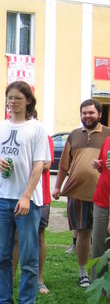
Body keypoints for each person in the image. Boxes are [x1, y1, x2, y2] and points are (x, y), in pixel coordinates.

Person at [0, 81, 50, 304]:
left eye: (17, 98)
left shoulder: (37, 128)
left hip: (27, 201)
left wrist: (26, 196)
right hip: (1, 199)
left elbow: (39, 165)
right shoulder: (0, 128)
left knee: (28, 256)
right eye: (9, 98)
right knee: (2, 256)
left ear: (28, 101)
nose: (12, 102)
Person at [53, 99, 110, 288]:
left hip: (104, 195)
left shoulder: (108, 134)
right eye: (84, 113)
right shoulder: (74, 135)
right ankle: (83, 273)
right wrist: (57, 187)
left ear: (99, 114)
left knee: (103, 237)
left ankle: (102, 274)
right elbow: (63, 165)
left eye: (91, 113)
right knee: (83, 233)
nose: (87, 116)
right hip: (78, 192)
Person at [13, 119, 54, 294]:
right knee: (15, 237)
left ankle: (39, 279)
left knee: (39, 236)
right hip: (17, 194)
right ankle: (11, 277)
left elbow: (47, 164)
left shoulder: (43, 136)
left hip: (40, 196)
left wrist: (26, 160)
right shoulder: (14, 134)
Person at [91, 135, 110, 278]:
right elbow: (103, 170)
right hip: (102, 201)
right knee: (98, 249)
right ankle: (98, 286)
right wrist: (99, 166)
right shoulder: (108, 140)